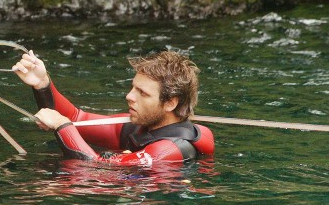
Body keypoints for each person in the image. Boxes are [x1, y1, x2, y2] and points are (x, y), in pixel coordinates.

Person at [12, 50, 214, 165]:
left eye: (142, 93)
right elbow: (76, 117)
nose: (129, 96)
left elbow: (95, 168)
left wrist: (62, 127)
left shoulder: (170, 149)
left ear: (171, 102)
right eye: (133, 87)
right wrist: (42, 84)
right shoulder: (140, 126)